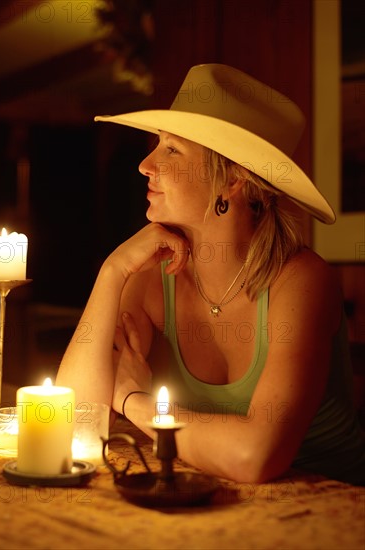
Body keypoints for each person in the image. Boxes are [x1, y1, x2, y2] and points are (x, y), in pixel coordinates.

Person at [56, 64, 365, 485]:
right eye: (156, 145)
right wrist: (113, 271)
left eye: (172, 150)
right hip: (209, 500)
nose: (146, 164)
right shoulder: (149, 277)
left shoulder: (302, 282)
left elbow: (255, 458)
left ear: (233, 179)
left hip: (325, 512)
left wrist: (133, 401)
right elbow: (73, 419)